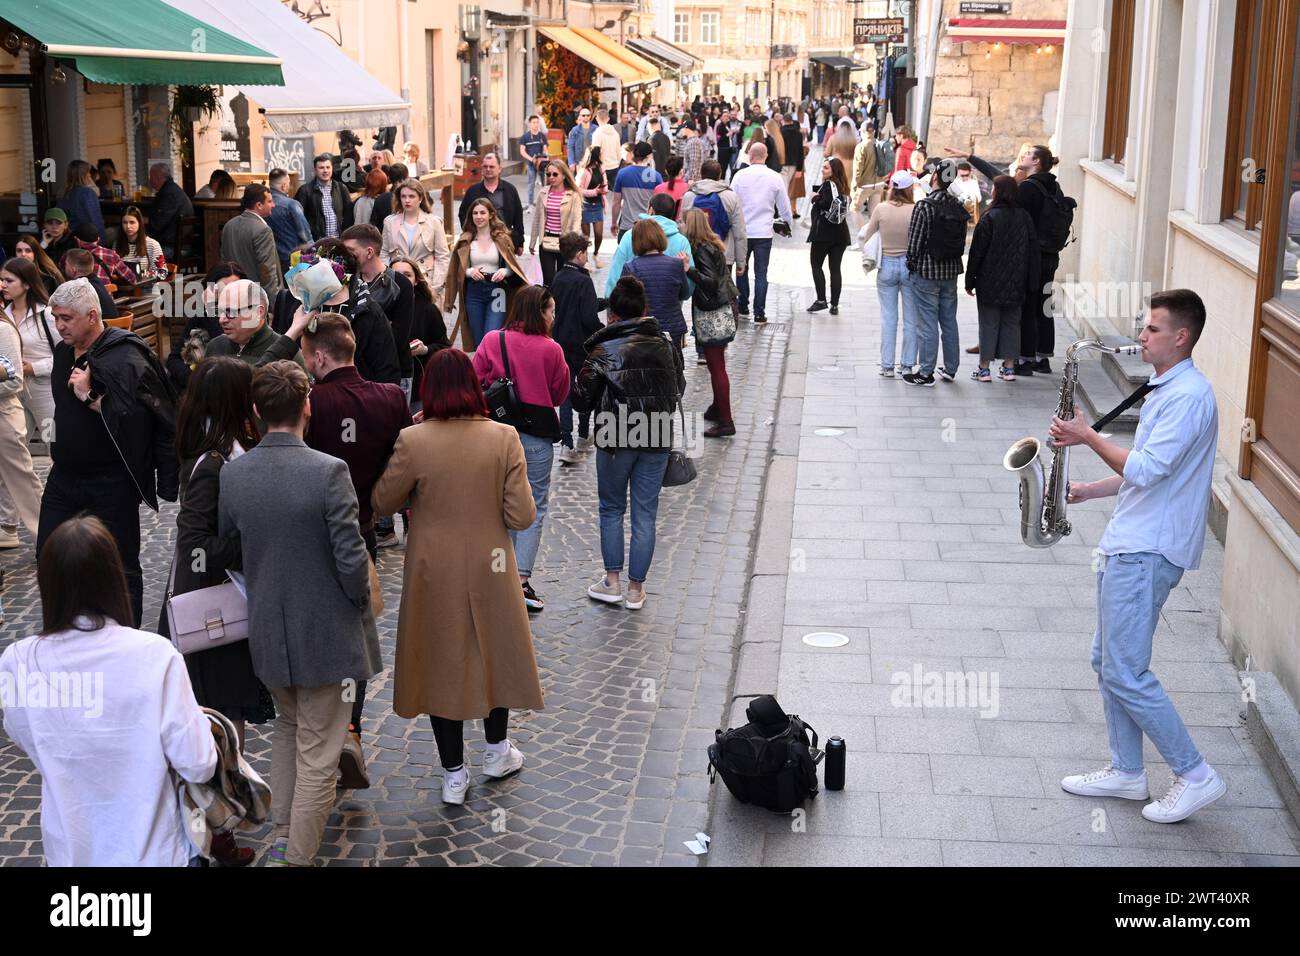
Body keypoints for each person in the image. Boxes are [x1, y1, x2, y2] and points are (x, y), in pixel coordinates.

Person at [1050, 289, 1227, 824]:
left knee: (1127, 670)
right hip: (1133, 540)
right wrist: (1093, 489)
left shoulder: (1188, 396)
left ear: (1182, 337)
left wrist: (1085, 435)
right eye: (1143, 327)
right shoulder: (1165, 389)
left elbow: (1148, 471)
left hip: (1146, 550)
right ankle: (1127, 771)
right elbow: (1147, 473)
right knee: (1109, 661)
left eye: (1152, 329)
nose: (1141, 336)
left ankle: (1195, 774)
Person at [218, 360, 381, 866]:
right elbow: (351, 558)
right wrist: (358, 601)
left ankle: (287, 838)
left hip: (270, 628)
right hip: (326, 633)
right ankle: (296, 857)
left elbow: (232, 541)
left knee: (290, 734)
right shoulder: (329, 472)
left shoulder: (234, 473)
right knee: (318, 753)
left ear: (256, 412)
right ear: (306, 406)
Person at [372, 348, 543, 806]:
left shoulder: (414, 439)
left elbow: (384, 502)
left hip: (433, 569)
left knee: (439, 661)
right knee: (495, 653)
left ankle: (453, 773)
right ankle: (496, 751)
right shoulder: (505, 437)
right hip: (492, 565)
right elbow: (522, 514)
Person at [1, 515, 218, 866]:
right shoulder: (155, 656)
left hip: (70, 851)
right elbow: (199, 763)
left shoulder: (17, 660)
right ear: (114, 577)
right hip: (154, 851)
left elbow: (25, 734)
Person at [160, 356, 267, 866]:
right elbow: (195, 543)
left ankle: (219, 828)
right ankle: (214, 836)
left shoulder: (225, 452)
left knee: (225, 722)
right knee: (217, 724)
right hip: (214, 617)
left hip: (223, 609)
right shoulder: (212, 464)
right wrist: (248, 543)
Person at [300, 314, 409, 782]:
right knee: (354, 634)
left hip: (309, 535)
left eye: (307, 356)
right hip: (361, 530)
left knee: (307, 632)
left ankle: (313, 733)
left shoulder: (312, 403)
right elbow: (403, 460)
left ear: (320, 356)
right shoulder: (389, 398)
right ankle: (349, 728)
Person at [38, 278, 179, 625]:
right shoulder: (61, 353)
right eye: (55, 317)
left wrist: (92, 398)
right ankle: (62, 629)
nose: (59, 325)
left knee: (119, 563)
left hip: (111, 481)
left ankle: (127, 634)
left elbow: (145, 418)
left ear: (91, 316)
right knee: (49, 555)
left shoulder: (124, 355)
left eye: (67, 318)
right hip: (64, 478)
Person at [572, 276, 684, 611]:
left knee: (611, 508)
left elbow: (581, 400)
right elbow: (678, 387)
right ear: (643, 309)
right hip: (655, 433)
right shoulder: (666, 344)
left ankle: (612, 582)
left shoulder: (604, 349)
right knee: (645, 514)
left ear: (613, 314)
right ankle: (636, 589)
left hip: (616, 434)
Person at [471, 286, 569, 612]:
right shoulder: (551, 349)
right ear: (539, 312)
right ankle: (521, 579)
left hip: (496, 436)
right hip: (536, 438)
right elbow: (558, 395)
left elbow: (476, 382)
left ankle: (498, 573)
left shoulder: (491, 341)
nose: (554, 317)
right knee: (534, 507)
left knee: (496, 506)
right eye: (550, 310)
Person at [277, 240, 400, 384]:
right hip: (305, 397)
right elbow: (281, 356)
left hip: (356, 398)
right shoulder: (298, 307)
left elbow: (386, 368)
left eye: (312, 269)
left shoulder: (367, 310)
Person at [964, 175, 1038, 383]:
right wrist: (1032, 282)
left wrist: (970, 281)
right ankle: (1009, 367)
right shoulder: (1024, 217)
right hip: (1017, 282)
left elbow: (977, 252)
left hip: (989, 281)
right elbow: (1033, 252)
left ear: (998, 192)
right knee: (1012, 324)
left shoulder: (989, 218)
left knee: (989, 324)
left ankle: (984, 369)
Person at [902, 160, 969, 387]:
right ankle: (950, 368)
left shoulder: (925, 206)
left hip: (927, 273)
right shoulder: (958, 206)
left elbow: (914, 242)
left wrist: (911, 264)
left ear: (935, 178)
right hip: (950, 273)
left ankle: (926, 372)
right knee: (949, 321)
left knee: (927, 323)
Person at [342, 223, 416, 400]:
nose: (345, 257)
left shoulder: (400, 284)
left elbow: (398, 336)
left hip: (392, 373)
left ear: (369, 252)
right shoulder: (346, 282)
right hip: (355, 370)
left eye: (351, 251)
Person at [681, 209, 737, 438]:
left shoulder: (702, 249)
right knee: (717, 364)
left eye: (683, 222)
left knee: (717, 367)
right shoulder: (710, 244)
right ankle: (717, 408)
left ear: (691, 225)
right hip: (722, 307)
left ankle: (726, 421)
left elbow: (710, 282)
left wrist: (689, 270)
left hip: (714, 312)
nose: (680, 226)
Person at [549, 232, 604, 465]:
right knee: (584, 390)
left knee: (566, 394)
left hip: (561, 341)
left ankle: (566, 443)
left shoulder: (558, 277)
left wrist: (606, 301)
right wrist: (602, 331)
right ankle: (582, 435)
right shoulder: (583, 280)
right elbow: (588, 315)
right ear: (580, 254)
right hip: (581, 344)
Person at [444, 198, 527, 350]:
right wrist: (469, 271)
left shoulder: (502, 238)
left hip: (497, 291)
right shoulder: (465, 240)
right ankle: (482, 373)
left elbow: (512, 266)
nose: (478, 216)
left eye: (482, 212)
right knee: (478, 340)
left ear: (491, 215)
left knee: (492, 336)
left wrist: (504, 271)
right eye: (475, 213)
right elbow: (456, 269)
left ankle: (492, 372)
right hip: (473, 292)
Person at [860, 171, 919, 378]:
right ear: (910, 188)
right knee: (911, 319)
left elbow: (867, 236)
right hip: (910, 266)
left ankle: (887, 365)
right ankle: (907, 365)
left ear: (892, 188)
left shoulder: (881, 209)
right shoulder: (916, 209)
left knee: (888, 318)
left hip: (886, 264)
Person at [0, 285, 45, 546]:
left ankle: (47, 538)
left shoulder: (4, 330)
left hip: (5, 413)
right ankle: (7, 529)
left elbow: (14, 380)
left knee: (22, 480)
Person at [730, 142, 794, 323]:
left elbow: (732, 203)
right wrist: (787, 224)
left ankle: (743, 305)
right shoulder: (775, 177)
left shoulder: (739, 176)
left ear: (750, 155)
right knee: (761, 273)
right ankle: (760, 312)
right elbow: (784, 206)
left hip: (743, 231)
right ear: (765, 156)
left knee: (741, 269)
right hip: (764, 232)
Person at [2, 257, 60, 449]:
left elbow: (65, 356)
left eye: (9, 281)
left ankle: (58, 479)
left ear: (26, 283)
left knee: (53, 443)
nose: (3, 285)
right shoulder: (4, 315)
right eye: (1, 280)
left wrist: (34, 368)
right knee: (14, 448)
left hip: (45, 393)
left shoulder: (47, 315)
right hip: (13, 394)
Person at [164, 262, 245, 393]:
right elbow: (173, 359)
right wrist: (194, 380)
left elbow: (227, 350)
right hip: (200, 391)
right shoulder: (202, 315)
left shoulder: (248, 317)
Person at [606, 190, 695, 293]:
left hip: (634, 303)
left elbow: (616, 272)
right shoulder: (682, 241)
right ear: (674, 214)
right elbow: (688, 284)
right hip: (669, 304)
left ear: (651, 210)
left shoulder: (631, 235)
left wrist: (610, 298)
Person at [206, 278, 304, 370]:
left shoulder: (288, 353)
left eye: (230, 312)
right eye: (219, 311)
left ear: (259, 312)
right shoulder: (214, 347)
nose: (221, 320)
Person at [623, 219, 691, 351]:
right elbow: (684, 294)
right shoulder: (676, 264)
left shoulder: (631, 267)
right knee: (672, 367)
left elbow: (626, 303)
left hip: (643, 330)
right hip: (673, 328)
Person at [391, 255, 450, 403]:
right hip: (382, 380)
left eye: (407, 275)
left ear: (416, 280)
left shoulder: (428, 309)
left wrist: (425, 349)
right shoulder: (377, 305)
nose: (401, 279)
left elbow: (444, 346)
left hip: (417, 382)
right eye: (396, 275)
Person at [679, 160, 748, 285]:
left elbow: (683, 228)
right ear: (720, 175)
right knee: (723, 291)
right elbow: (740, 232)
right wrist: (741, 261)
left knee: (700, 292)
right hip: (724, 254)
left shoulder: (689, 196)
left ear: (701, 174)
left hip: (697, 254)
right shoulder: (731, 196)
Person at [380, 177, 451, 299]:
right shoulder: (390, 222)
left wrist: (435, 287)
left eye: (411, 196)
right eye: (403, 196)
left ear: (420, 198)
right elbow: (384, 253)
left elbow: (442, 257)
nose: (407, 200)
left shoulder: (433, 222)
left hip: (426, 283)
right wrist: (387, 279)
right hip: (397, 284)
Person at [219, 184, 282, 298]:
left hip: (233, 294)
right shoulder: (262, 230)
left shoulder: (229, 225)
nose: (273, 205)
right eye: (269, 201)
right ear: (259, 205)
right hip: (256, 298)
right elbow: (267, 273)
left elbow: (224, 263)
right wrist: (276, 306)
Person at [806, 157, 852, 315]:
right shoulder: (843, 185)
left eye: (826, 168)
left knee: (816, 265)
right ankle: (835, 305)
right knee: (835, 269)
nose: (822, 170)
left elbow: (826, 203)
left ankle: (821, 300)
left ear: (833, 171)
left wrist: (814, 198)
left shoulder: (828, 185)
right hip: (841, 235)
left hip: (824, 235)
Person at [457, 152, 525, 253]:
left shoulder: (510, 190)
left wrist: (520, 242)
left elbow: (518, 217)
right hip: (480, 243)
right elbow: (463, 214)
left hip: (505, 242)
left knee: (505, 269)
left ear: (499, 169)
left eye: (492, 166)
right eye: (485, 166)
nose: (488, 169)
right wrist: (472, 234)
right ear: (481, 168)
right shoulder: (472, 191)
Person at [528, 159, 582, 285]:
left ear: (564, 175)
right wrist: (532, 242)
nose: (551, 177)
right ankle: (550, 304)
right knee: (548, 279)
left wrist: (571, 242)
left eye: (555, 174)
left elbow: (576, 220)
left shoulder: (573, 195)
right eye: (548, 174)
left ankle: (561, 304)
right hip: (546, 240)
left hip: (564, 241)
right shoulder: (543, 193)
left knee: (563, 279)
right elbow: (537, 219)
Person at [610, 142, 664, 241]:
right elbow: (660, 204)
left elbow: (616, 202)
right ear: (649, 156)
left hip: (627, 227)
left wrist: (614, 223)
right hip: (648, 228)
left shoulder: (622, 174)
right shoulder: (656, 176)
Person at [295, 153, 355, 241]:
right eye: (321, 168)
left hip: (338, 241)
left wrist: (345, 237)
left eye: (328, 167)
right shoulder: (305, 190)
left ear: (332, 168)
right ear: (315, 170)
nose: (325, 171)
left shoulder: (341, 188)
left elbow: (348, 216)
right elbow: (298, 218)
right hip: (316, 243)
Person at [266, 168, 313, 275]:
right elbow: (306, 236)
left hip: (269, 259)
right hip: (291, 259)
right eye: (288, 183)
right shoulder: (291, 205)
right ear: (283, 185)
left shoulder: (261, 205)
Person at [61, 223, 137, 287]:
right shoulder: (110, 254)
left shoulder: (69, 256)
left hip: (79, 301)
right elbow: (131, 279)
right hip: (104, 301)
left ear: (77, 240)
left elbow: (60, 275)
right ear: (98, 239)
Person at [147, 163, 194, 261]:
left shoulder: (169, 194)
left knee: (137, 255)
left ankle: (153, 276)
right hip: (175, 244)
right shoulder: (170, 189)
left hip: (174, 248)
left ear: (157, 176)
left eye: (150, 176)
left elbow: (156, 226)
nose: (149, 180)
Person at [59, 249, 119, 320]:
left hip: (102, 329)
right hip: (114, 327)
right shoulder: (96, 281)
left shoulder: (78, 287)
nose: (64, 268)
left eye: (66, 264)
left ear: (73, 269)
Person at [112, 205, 166, 278]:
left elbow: (162, 273)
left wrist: (139, 275)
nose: (128, 226)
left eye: (132, 222)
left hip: (145, 286)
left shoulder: (152, 244)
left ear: (139, 223)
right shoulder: (117, 244)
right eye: (125, 222)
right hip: (123, 287)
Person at [576, 146, 609, 262]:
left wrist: (604, 189)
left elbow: (605, 182)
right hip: (585, 205)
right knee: (586, 236)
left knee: (599, 234)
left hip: (598, 205)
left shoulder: (601, 168)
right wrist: (595, 192)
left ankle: (596, 253)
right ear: (596, 155)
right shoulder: (583, 171)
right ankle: (586, 259)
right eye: (601, 153)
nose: (602, 155)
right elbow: (578, 190)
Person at [59, 160, 106, 243]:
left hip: (70, 239)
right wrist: (102, 245)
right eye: (88, 172)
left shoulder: (63, 193)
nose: (90, 175)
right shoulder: (87, 193)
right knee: (116, 230)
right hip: (88, 240)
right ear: (84, 175)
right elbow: (96, 220)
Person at [366, 161, 409, 230]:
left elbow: (374, 225)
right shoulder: (414, 196)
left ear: (389, 179)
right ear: (407, 177)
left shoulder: (381, 199)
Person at [519, 114, 550, 207]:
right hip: (531, 164)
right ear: (530, 124)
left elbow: (545, 148)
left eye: (537, 122)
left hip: (542, 164)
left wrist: (546, 156)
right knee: (531, 184)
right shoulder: (525, 137)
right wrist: (531, 159)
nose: (536, 124)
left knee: (545, 185)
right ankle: (530, 203)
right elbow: (522, 151)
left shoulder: (542, 136)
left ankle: (545, 203)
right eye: (534, 122)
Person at [591, 108, 623, 187]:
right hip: (615, 166)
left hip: (602, 167)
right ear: (608, 119)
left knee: (602, 193)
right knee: (614, 192)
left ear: (597, 119)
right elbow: (618, 151)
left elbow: (595, 151)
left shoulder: (597, 133)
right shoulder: (615, 133)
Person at [679, 118, 710, 183]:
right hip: (693, 180)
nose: (681, 131)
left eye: (682, 129)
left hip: (693, 181)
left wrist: (691, 179)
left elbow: (694, 163)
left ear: (687, 129)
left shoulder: (693, 142)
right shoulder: (692, 141)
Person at [567, 106, 594, 171]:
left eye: (588, 115)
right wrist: (571, 162)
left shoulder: (596, 129)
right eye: (583, 115)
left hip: (592, 162)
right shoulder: (574, 130)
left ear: (590, 116)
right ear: (580, 116)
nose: (585, 117)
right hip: (579, 162)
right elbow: (570, 147)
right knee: (579, 180)